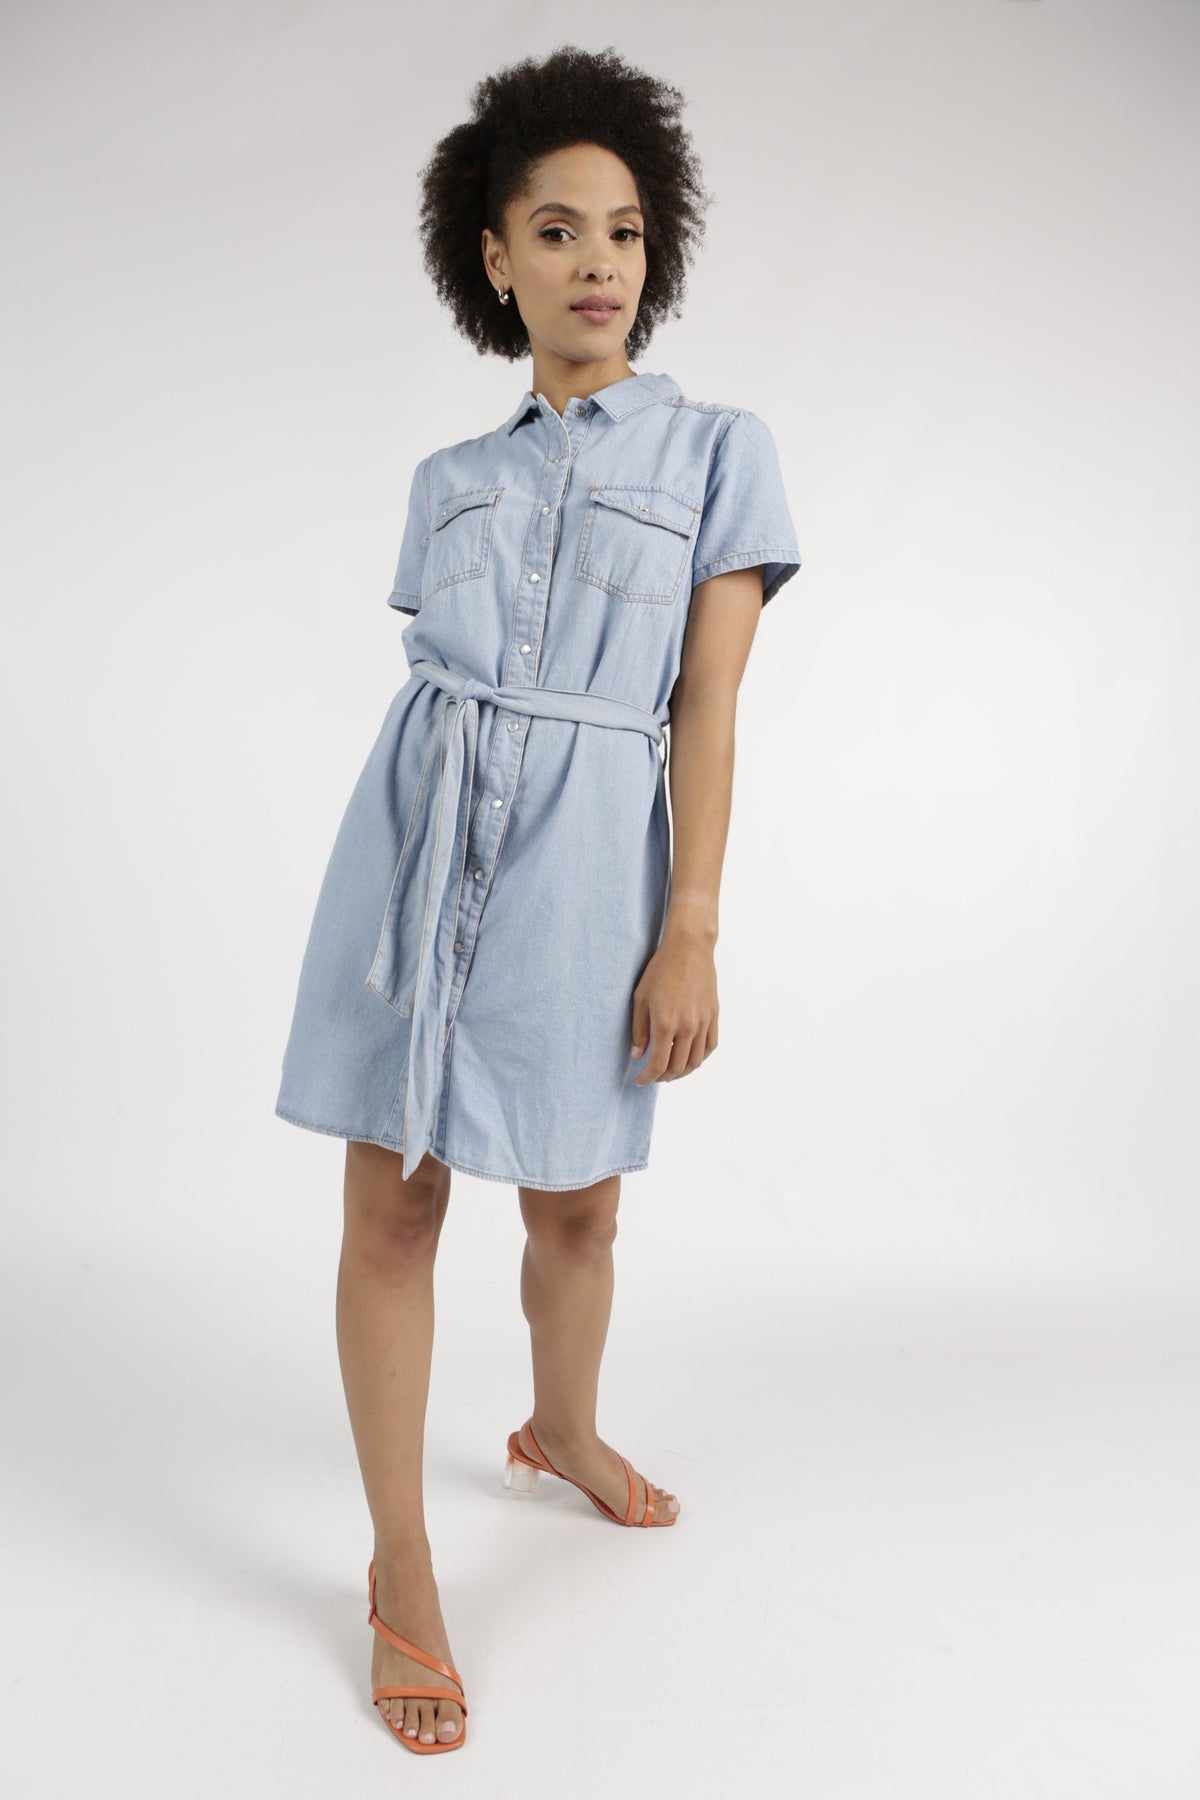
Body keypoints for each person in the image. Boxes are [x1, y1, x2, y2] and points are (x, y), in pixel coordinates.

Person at [274, 43, 802, 1755]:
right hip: (416, 848)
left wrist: (691, 922)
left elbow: (706, 704)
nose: (598, 263)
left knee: (577, 1211)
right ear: (493, 257)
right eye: (558, 231)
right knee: (393, 1210)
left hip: (591, 866)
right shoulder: (451, 480)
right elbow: (442, 690)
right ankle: (403, 1567)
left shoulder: (720, 449)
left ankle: (560, 1428)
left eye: (625, 231)